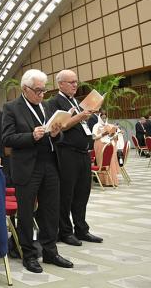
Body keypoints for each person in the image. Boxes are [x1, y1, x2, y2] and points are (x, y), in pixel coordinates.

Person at [1, 69, 73, 274]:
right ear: (25, 89)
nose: (42, 94)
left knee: (50, 211)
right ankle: (29, 255)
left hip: (50, 163)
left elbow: (58, 138)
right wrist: (31, 136)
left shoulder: (47, 106)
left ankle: (50, 251)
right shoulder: (11, 108)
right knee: (25, 213)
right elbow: (7, 139)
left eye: (44, 90)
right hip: (27, 167)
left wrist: (57, 134)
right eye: (38, 91)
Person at [48, 69, 103, 247]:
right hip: (66, 152)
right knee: (67, 194)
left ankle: (82, 228)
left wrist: (89, 115)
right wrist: (79, 116)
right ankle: (65, 231)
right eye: (71, 82)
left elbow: (84, 124)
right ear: (60, 84)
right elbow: (59, 127)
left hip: (83, 152)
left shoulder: (77, 102)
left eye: (76, 82)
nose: (75, 85)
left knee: (82, 192)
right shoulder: (54, 102)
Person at [92, 114, 121, 186]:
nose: (104, 119)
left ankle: (111, 181)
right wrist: (103, 134)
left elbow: (110, 136)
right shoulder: (96, 126)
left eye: (105, 118)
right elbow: (93, 137)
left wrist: (113, 134)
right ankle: (104, 181)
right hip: (99, 145)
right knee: (102, 162)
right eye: (103, 118)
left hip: (108, 144)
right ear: (100, 118)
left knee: (110, 162)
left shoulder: (108, 125)